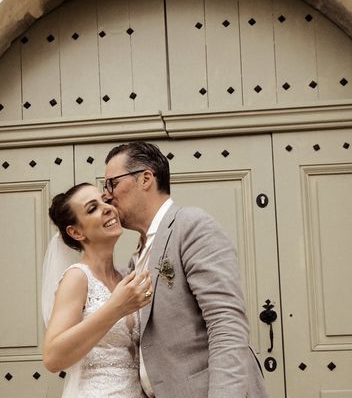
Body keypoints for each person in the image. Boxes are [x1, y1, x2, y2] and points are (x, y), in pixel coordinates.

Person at [103, 141, 269, 398]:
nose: (107, 195)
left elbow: (227, 324)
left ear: (146, 178)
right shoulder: (136, 257)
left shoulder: (191, 225)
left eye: (112, 183)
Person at [42, 183, 154, 397]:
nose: (107, 208)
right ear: (76, 232)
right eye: (92, 208)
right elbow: (52, 357)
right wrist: (116, 308)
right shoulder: (77, 278)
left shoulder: (126, 276)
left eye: (106, 200)